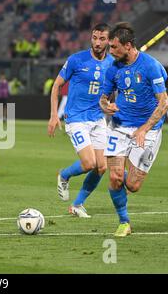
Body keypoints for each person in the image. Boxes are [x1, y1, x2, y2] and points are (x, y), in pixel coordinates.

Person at [100, 22, 168, 237]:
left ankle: (130, 176)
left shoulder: (150, 66)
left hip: (148, 130)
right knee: (115, 176)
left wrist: (144, 129)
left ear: (128, 46)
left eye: (114, 47)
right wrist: (106, 106)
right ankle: (124, 222)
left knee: (133, 185)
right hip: (119, 126)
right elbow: (103, 98)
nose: (110, 51)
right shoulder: (113, 68)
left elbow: (164, 103)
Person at [48, 23, 114, 218]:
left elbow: (110, 93)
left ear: (109, 41)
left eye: (102, 39)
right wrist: (53, 115)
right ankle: (64, 174)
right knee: (88, 163)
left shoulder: (112, 64)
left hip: (98, 119)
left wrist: (110, 106)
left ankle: (77, 205)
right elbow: (56, 86)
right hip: (76, 119)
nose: (97, 42)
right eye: (95, 38)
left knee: (101, 167)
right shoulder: (76, 60)